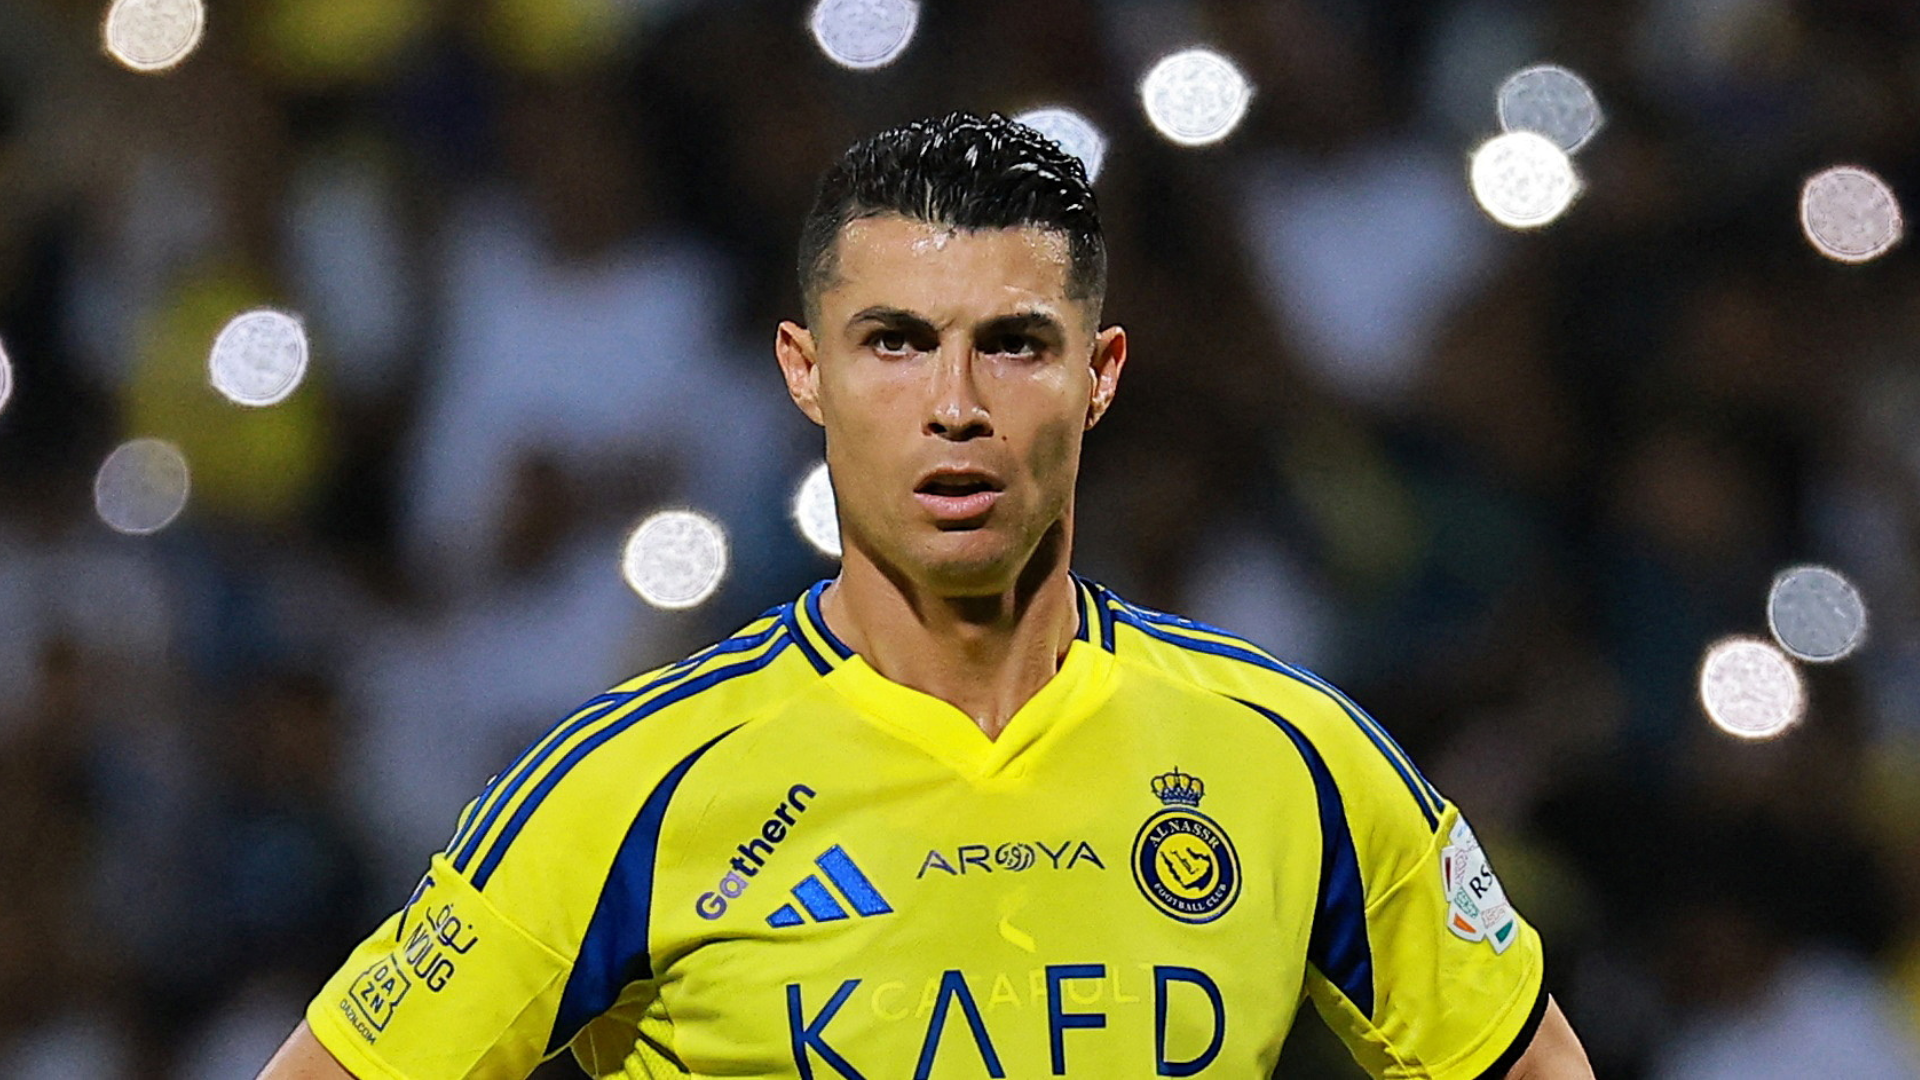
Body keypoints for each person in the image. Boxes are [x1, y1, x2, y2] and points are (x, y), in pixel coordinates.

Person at [258, 111, 1593, 1079]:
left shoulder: (1293, 758)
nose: (955, 407)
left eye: (1015, 346)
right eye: (894, 343)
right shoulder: (630, 788)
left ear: (1102, 374)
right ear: (804, 372)